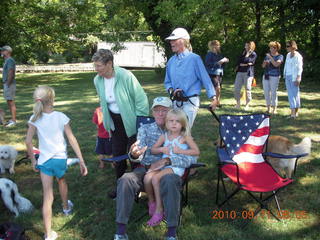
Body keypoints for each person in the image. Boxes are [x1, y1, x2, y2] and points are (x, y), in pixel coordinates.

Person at [114, 97, 196, 240]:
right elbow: (138, 154)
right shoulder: (145, 129)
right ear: (152, 113)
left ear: (171, 112)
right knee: (126, 179)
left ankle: (171, 233)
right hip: (145, 169)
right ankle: (120, 232)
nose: (160, 114)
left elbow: (192, 158)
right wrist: (134, 154)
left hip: (170, 170)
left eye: (164, 110)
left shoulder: (180, 131)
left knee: (170, 181)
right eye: (156, 110)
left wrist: (167, 160)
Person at [25, 86, 88, 240]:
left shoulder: (34, 118)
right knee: (62, 181)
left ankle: (48, 234)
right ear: (52, 100)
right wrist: (81, 160)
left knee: (48, 196)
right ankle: (66, 208)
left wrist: (33, 160)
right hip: (60, 160)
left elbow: (28, 141)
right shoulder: (61, 116)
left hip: (45, 161)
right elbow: (71, 138)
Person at [92, 49, 149, 199]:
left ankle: (139, 187)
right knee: (118, 155)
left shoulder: (125, 76)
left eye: (99, 66)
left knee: (134, 156)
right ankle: (121, 187)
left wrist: (140, 122)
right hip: (115, 122)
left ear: (109, 63)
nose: (96, 69)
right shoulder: (97, 80)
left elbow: (141, 99)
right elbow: (102, 101)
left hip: (132, 122)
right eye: (95, 66)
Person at [144, 109, 200, 226]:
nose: (174, 123)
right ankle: (152, 203)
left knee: (155, 179)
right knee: (148, 177)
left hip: (176, 166)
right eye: (171, 121)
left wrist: (180, 150)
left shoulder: (185, 137)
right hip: (164, 165)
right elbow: (153, 150)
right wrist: (162, 149)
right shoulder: (164, 136)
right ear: (166, 123)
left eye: (177, 121)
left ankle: (159, 210)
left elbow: (196, 151)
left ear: (183, 124)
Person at [164, 28, 218, 127]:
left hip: (190, 103)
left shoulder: (194, 59)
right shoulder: (171, 61)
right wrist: (172, 91)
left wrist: (213, 98)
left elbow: (205, 78)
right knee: (175, 132)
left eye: (174, 40)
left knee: (183, 132)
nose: (171, 42)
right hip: (175, 102)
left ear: (183, 41)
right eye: (171, 40)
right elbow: (167, 82)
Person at [205, 40, 229, 107]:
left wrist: (225, 61)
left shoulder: (219, 54)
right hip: (212, 73)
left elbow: (221, 64)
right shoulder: (209, 54)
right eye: (218, 45)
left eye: (219, 45)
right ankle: (214, 102)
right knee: (216, 87)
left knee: (219, 88)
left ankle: (218, 101)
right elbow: (208, 64)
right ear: (213, 46)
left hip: (219, 73)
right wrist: (219, 62)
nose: (219, 46)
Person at [262, 41, 284, 114]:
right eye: (270, 47)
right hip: (266, 75)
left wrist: (270, 58)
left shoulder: (280, 56)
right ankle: (268, 108)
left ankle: (274, 108)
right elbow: (263, 66)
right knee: (266, 92)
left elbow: (276, 65)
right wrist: (265, 63)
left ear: (277, 48)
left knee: (273, 92)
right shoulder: (267, 56)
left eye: (273, 47)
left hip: (275, 76)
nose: (271, 49)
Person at [234, 41, 257, 109]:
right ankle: (238, 103)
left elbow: (250, 62)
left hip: (248, 73)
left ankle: (247, 104)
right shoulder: (243, 52)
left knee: (247, 88)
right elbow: (238, 61)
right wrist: (245, 63)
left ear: (251, 46)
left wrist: (246, 59)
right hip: (240, 72)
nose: (245, 47)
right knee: (236, 88)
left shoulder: (253, 54)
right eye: (245, 46)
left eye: (247, 46)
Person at [283, 40, 303, 119]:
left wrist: (298, 78)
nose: (286, 48)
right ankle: (294, 113)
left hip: (294, 77)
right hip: (287, 76)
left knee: (295, 94)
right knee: (290, 94)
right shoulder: (288, 55)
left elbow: (300, 68)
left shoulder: (298, 56)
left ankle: (294, 113)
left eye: (288, 46)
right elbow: (286, 65)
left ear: (293, 47)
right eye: (286, 46)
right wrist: (284, 74)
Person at [1, 46, 16, 127]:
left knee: (11, 102)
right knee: (8, 101)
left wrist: (8, 83)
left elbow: (11, 72)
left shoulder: (10, 60)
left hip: (9, 83)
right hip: (7, 83)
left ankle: (13, 120)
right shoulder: (7, 60)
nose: (1, 52)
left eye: (3, 51)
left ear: (7, 51)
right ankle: (12, 119)